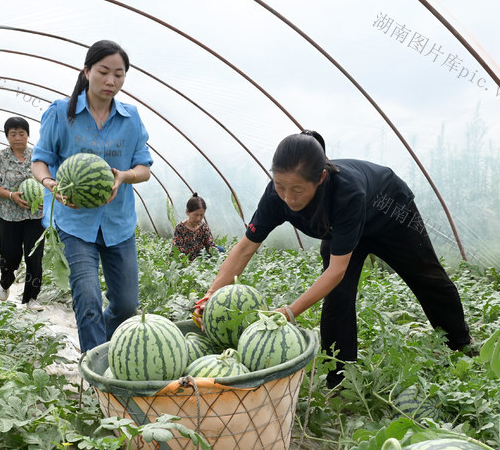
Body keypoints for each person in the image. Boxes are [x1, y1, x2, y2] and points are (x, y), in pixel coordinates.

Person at [195, 131, 471, 388]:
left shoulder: (347, 192)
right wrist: (211, 294)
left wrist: (290, 312)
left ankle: (461, 344)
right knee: (338, 297)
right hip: (341, 228)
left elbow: (337, 269)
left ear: (321, 179)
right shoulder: (275, 196)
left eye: (298, 190)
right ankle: (340, 379)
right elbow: (245, 247)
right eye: (280, 186)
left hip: (389, 211)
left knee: (427, 275)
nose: (288, 198)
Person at [31, 40, 153, 352]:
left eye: (119, 75)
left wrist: (123, 176)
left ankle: (105, 349)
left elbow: (144, 168)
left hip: (118, 224)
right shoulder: (61, 114)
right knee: (87, 300)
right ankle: (96, 367)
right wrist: (51, 184)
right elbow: (40, 160)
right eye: (103, 72)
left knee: (126, 305)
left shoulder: (131, 118)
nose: (111, 81)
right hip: (74, 223)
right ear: (86, 71)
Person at [0, 116, 44, 311]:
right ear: (7, 136)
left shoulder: (38, 156)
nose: (18, 137)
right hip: (8, 216)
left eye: (22, 133)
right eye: (13, 134)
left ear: (28, 135)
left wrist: (42, 199)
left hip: (35, 216)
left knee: (34, 257)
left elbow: (48, 180)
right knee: (10, 256)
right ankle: (6, 281)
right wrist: (12, 195)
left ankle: (32, 298)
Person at [172, 193, 219, 260]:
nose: (199, 218)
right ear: (187, 212)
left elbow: (210, 245)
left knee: (220, 250)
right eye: (196, 215)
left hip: (201, 260)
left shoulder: (204, 227)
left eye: (202, 215)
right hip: (186, 262)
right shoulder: (180, 228)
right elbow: (176, 251)